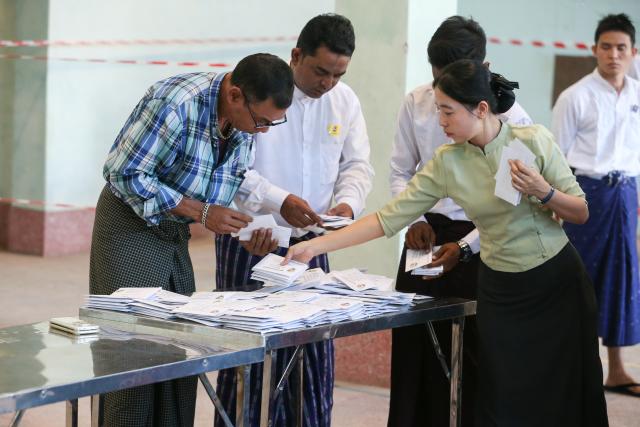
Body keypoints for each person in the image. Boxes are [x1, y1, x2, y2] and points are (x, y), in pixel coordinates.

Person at [285, 59, 609, 426]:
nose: (441, 121)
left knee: (565, 398)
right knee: (501, 402)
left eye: (448, 111)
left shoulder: (532, 140)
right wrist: (315, 246)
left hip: (556, 285)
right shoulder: (447, 162)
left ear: (481, 109)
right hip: (501, 292)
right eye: (439, 109)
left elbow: (581, 211)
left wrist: (544, 191)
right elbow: (387, 219)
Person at [89, 53, 293, 427]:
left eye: (271, 124)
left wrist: (243, 232)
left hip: (173, 231)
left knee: (178, 348)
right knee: (133, 352)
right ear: (234, 95)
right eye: (261, 121)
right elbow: (122, 171)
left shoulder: (240, 124)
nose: (262, 131)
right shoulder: (176, 103)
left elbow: (225, 183)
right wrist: (198, 211)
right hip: (128, 226)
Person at [214, 14, 373, 427]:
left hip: (312, 244)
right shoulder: (258, 92)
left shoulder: (345, 101)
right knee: (249, 360)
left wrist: (347, 205)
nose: (328, 83)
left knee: (312, 361)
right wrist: (276, 205)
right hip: (251, 239)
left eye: (338, 74)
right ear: (296, 54)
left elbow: (357, 164)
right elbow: (233, 170)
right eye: (321, 71)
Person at [387, 16, 531, 427]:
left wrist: (469, 244)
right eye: (436, 82)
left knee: (478, 356)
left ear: (482, 71)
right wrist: (413, 218)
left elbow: (511, 199)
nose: (441, 99)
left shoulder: (515, 118)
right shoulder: (415, 102)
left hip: (486, 239)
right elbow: (399, 170)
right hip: (425, 236)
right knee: (415, 348)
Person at [552, 13, 640, 398]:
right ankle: (574, 370)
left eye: (621, 48)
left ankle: (618, 370)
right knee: (579, 281)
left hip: (625, 196)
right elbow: (555, 159)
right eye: (606, 47)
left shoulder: (638, 95)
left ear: (633, 52)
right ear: (594, 50)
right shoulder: (576, 96)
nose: (614, 55)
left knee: (622, 281)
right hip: (586, 196)